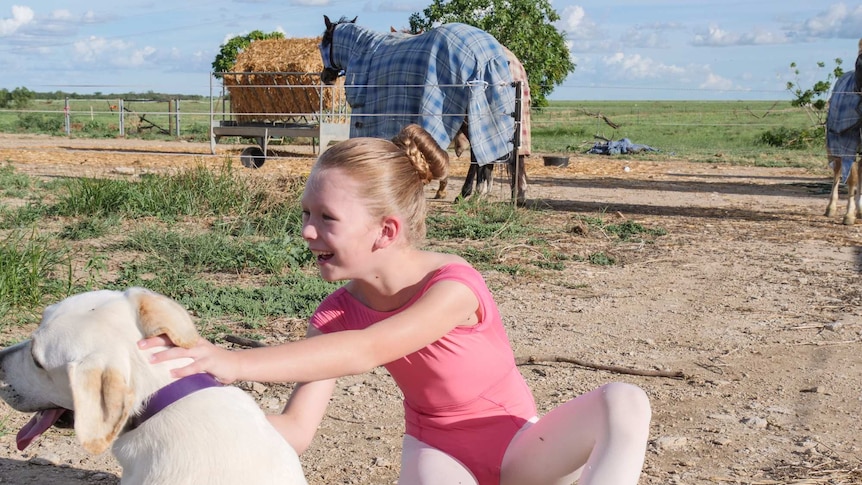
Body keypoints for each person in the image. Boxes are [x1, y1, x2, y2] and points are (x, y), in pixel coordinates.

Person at [139, 124, 652, 485]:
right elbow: (294, 431)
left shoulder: (452, 286)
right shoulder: (336, 312)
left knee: (624, 399)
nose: (307, 231)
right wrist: (188, 403)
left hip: (524, 451)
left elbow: (368, 348)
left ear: (385, 231)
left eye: (326, 217)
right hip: (440, 454)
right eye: (305, 213)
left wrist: (233, 362)